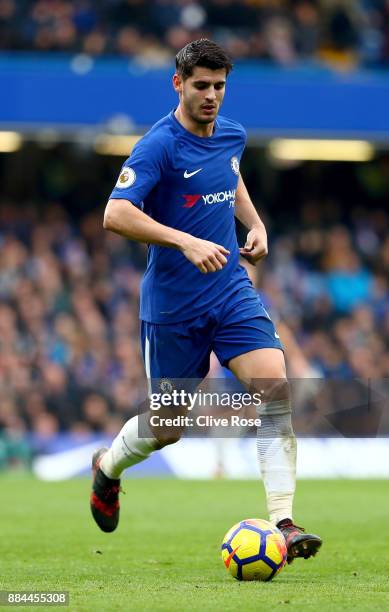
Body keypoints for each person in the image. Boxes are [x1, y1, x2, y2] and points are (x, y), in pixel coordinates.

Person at [90, 38, 322, 563]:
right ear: (178, 83)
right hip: (173, 306)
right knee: (168, 428)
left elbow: (230, 178)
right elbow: (115, 214)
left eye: (219, 86)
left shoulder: (233, 134)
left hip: (230, 291)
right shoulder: (158, 145)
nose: (212, 96)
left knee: (275, 386)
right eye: (201, 86)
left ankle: (283, 521)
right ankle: (107, 468)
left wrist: (256, 224)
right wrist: (185, 240)